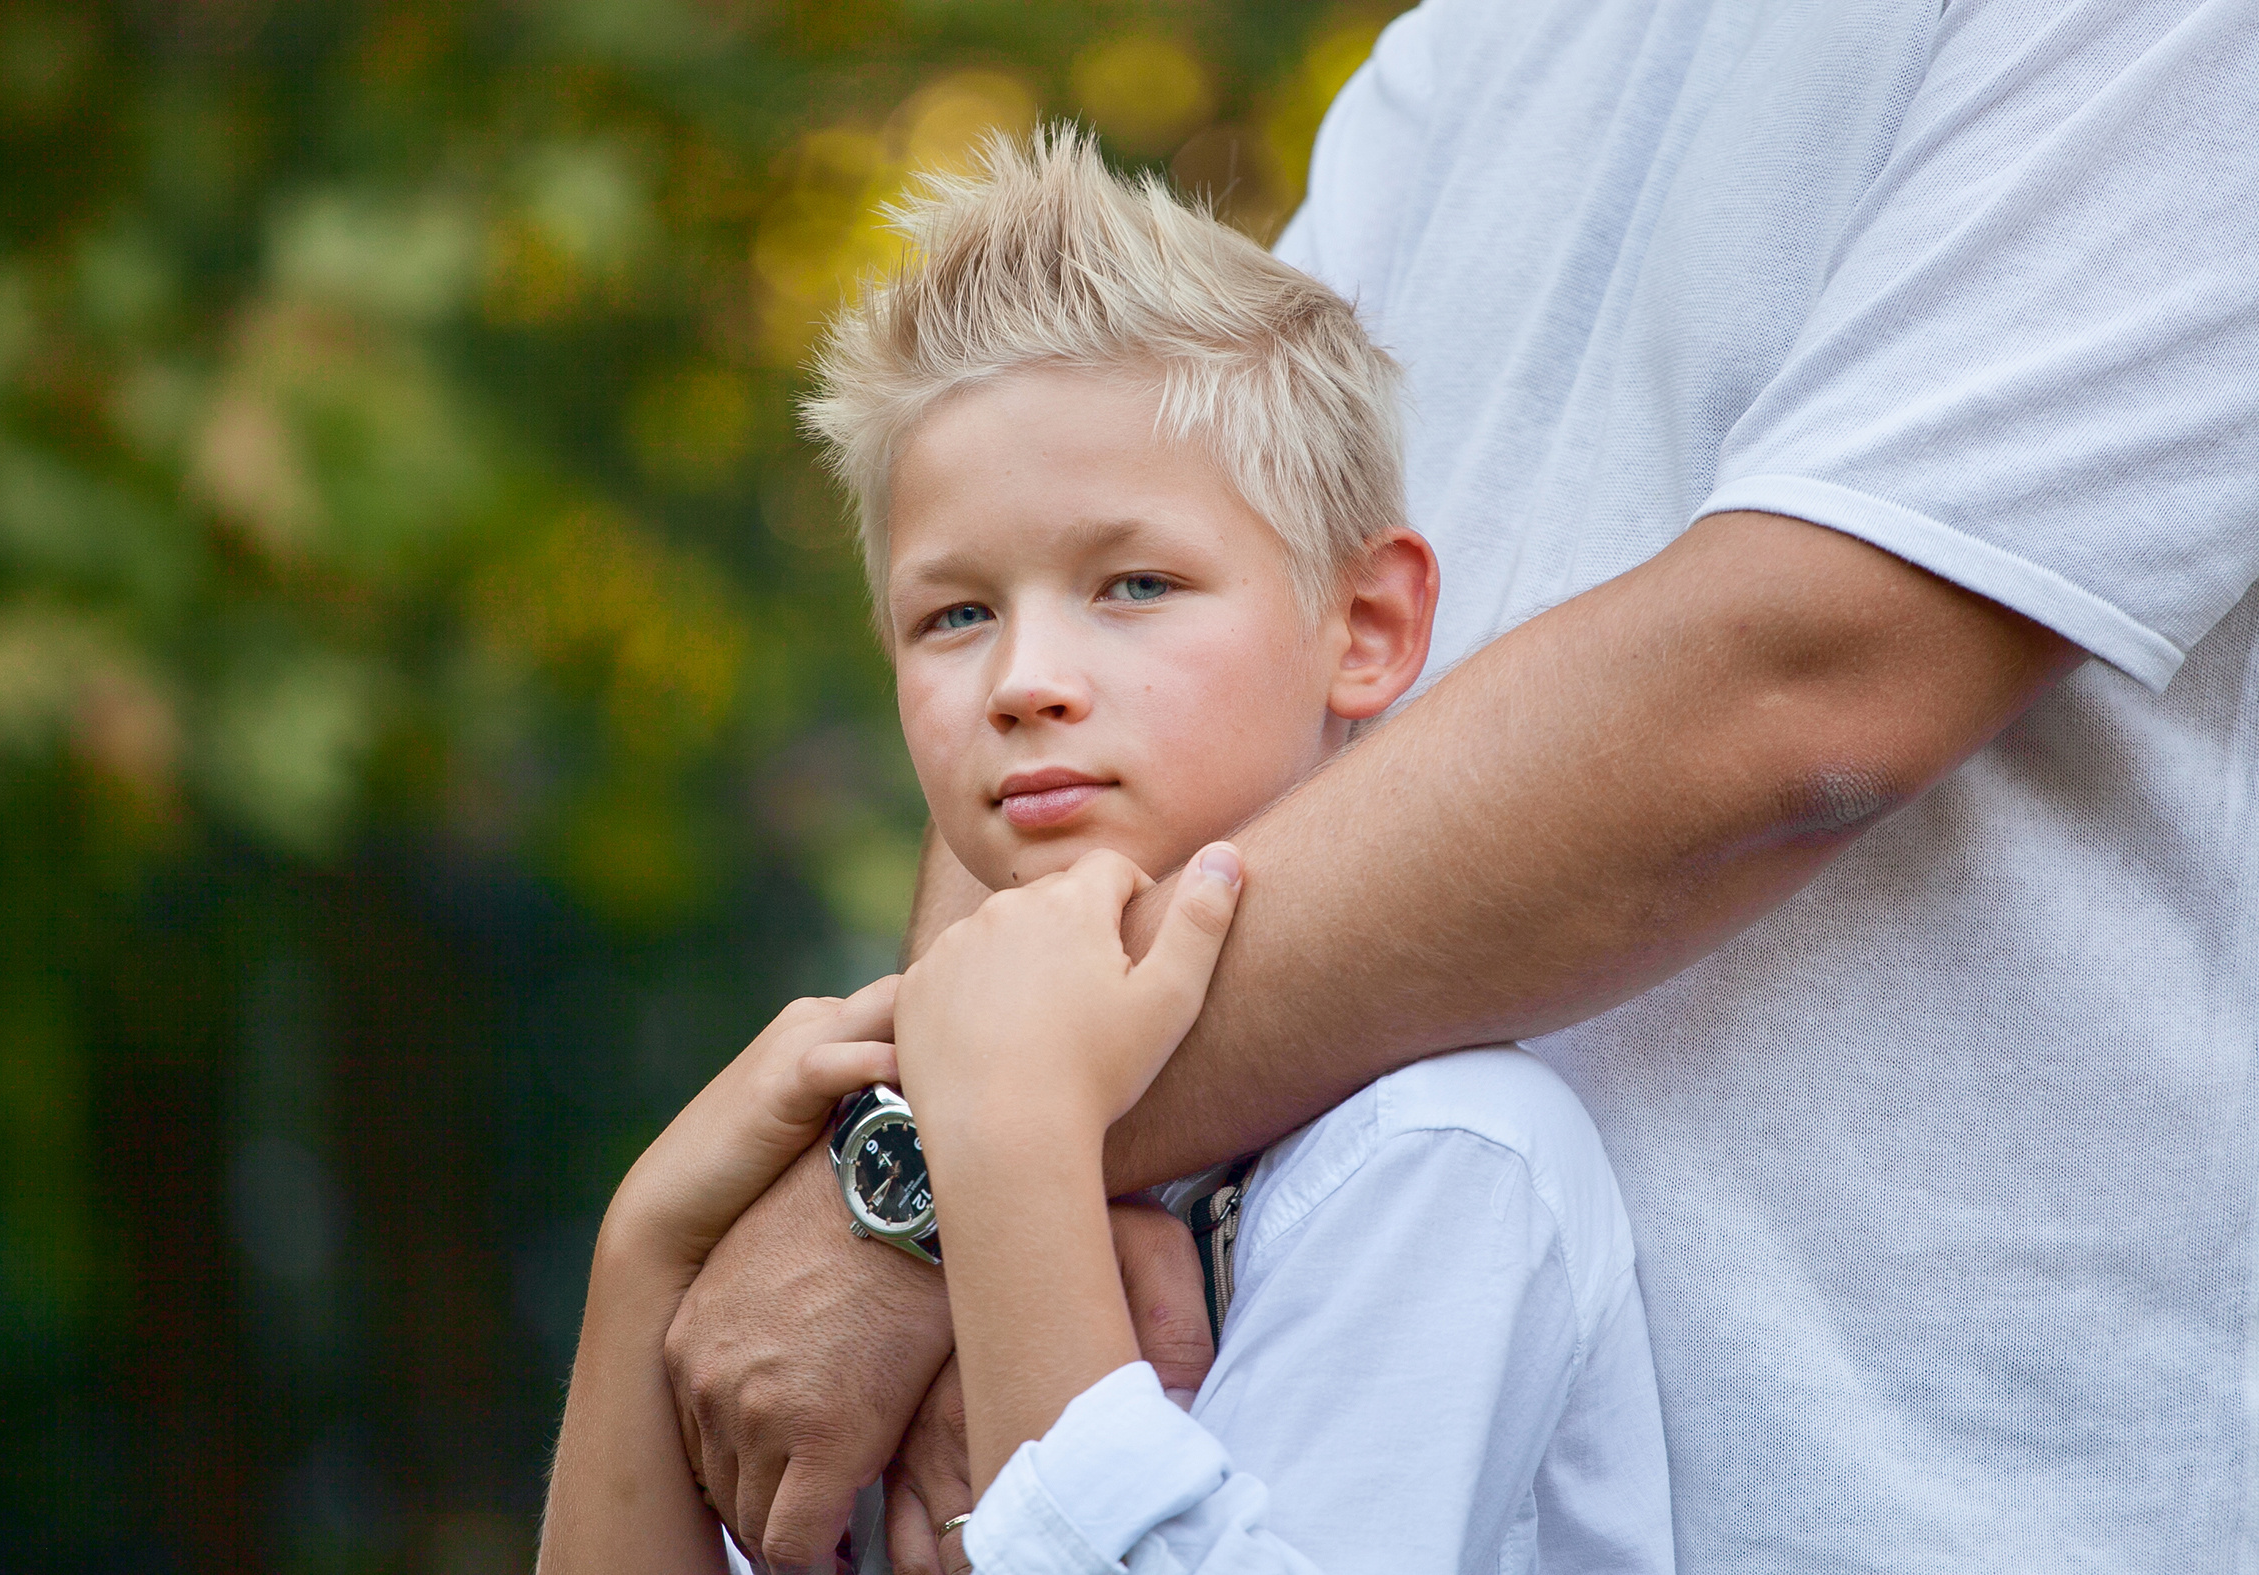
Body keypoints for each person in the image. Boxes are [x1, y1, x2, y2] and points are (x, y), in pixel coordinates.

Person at [670, 0, 2259, 1571]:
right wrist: (947, 1191)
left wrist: (964, 1166)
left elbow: (1809, 678)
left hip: (1939, 1502)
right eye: (948, 624)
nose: (1025, 677)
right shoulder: (1448, 58)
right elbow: (1089, 677)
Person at [547, 132, 1675, 1575]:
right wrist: (640, 1260)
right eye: (952, 615)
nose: (1024, 678)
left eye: (1133, 585)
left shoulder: (1439, 1160)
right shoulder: (859, 1157)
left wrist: (1006, 1154)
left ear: (1367, 624)